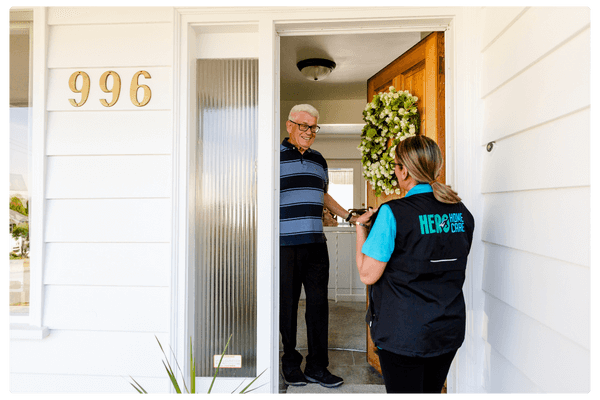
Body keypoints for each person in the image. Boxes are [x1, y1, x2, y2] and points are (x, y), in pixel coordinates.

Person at [355, 135, 474, 395]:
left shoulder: (393, 212)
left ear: (404, 170)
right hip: (447, 329)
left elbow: (367, 274)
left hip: (403, 334)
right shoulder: (462, 212)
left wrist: (361, 228)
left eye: (396, 166)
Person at [280, 104, 356, 388]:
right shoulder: (272, 156)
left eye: (313, 127)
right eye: (304, 126)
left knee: (318, 306)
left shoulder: (319, 160)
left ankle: (317, 366)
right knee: (287, 307)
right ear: (289, 126)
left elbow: (323, 196)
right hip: (285, 245)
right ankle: (290, 363)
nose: (309, 132)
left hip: (315, 245)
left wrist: (349, 216)